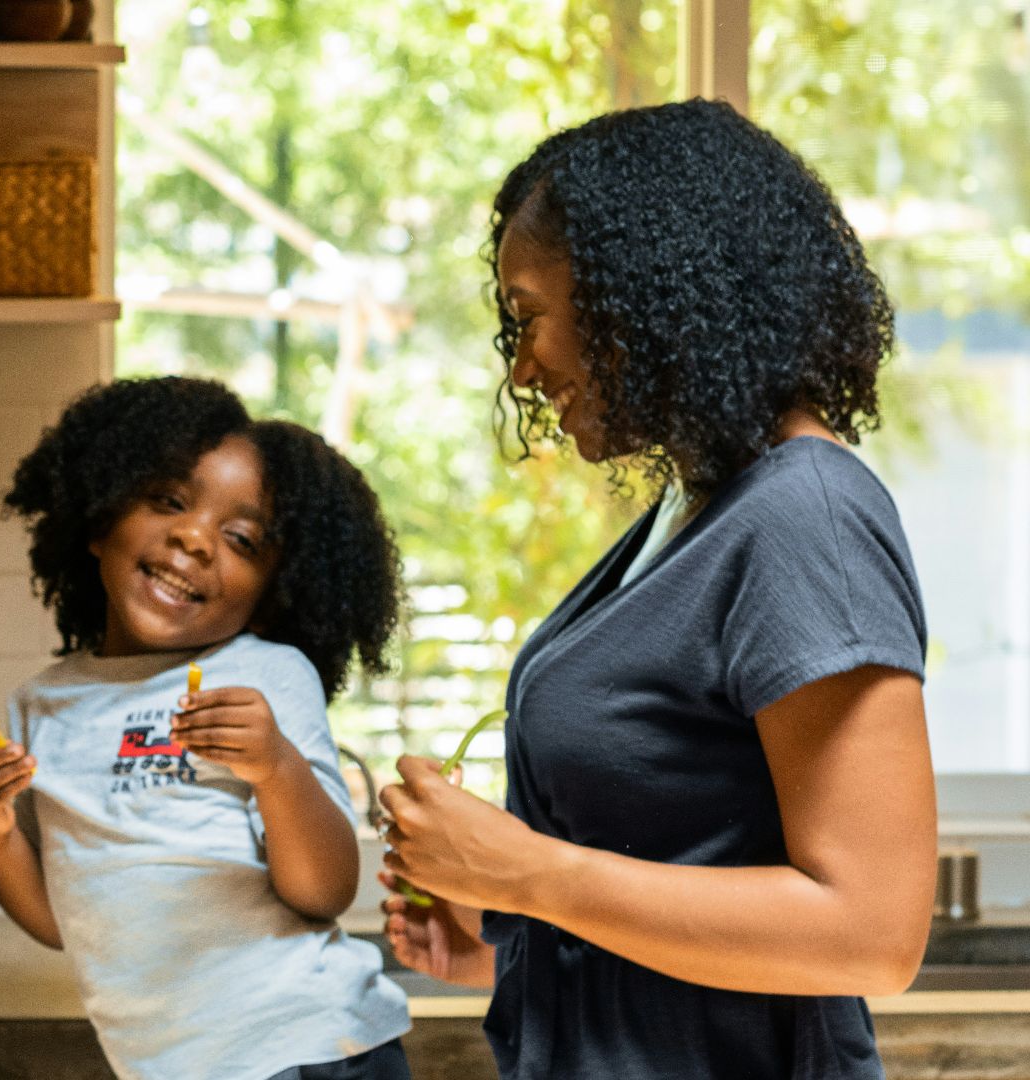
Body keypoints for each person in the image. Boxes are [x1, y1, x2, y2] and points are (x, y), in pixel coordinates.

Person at [379, 99, 934, 1080]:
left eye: (528, 317)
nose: (522, 365)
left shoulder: (805, 513)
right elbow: (692, 873)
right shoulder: (696, 505)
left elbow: (871, 932)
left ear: (637, 295)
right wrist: (506, 942)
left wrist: (527, 875)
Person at [0, 376, 412, 1080]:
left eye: (242, 539)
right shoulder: (39, 707)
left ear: (270, 597)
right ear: (100, 519)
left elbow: (326, 891)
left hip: (308, 1047)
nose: (194, 538)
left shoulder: (265, 676)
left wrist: (277, 768)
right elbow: (58, 921)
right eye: (168, 501)